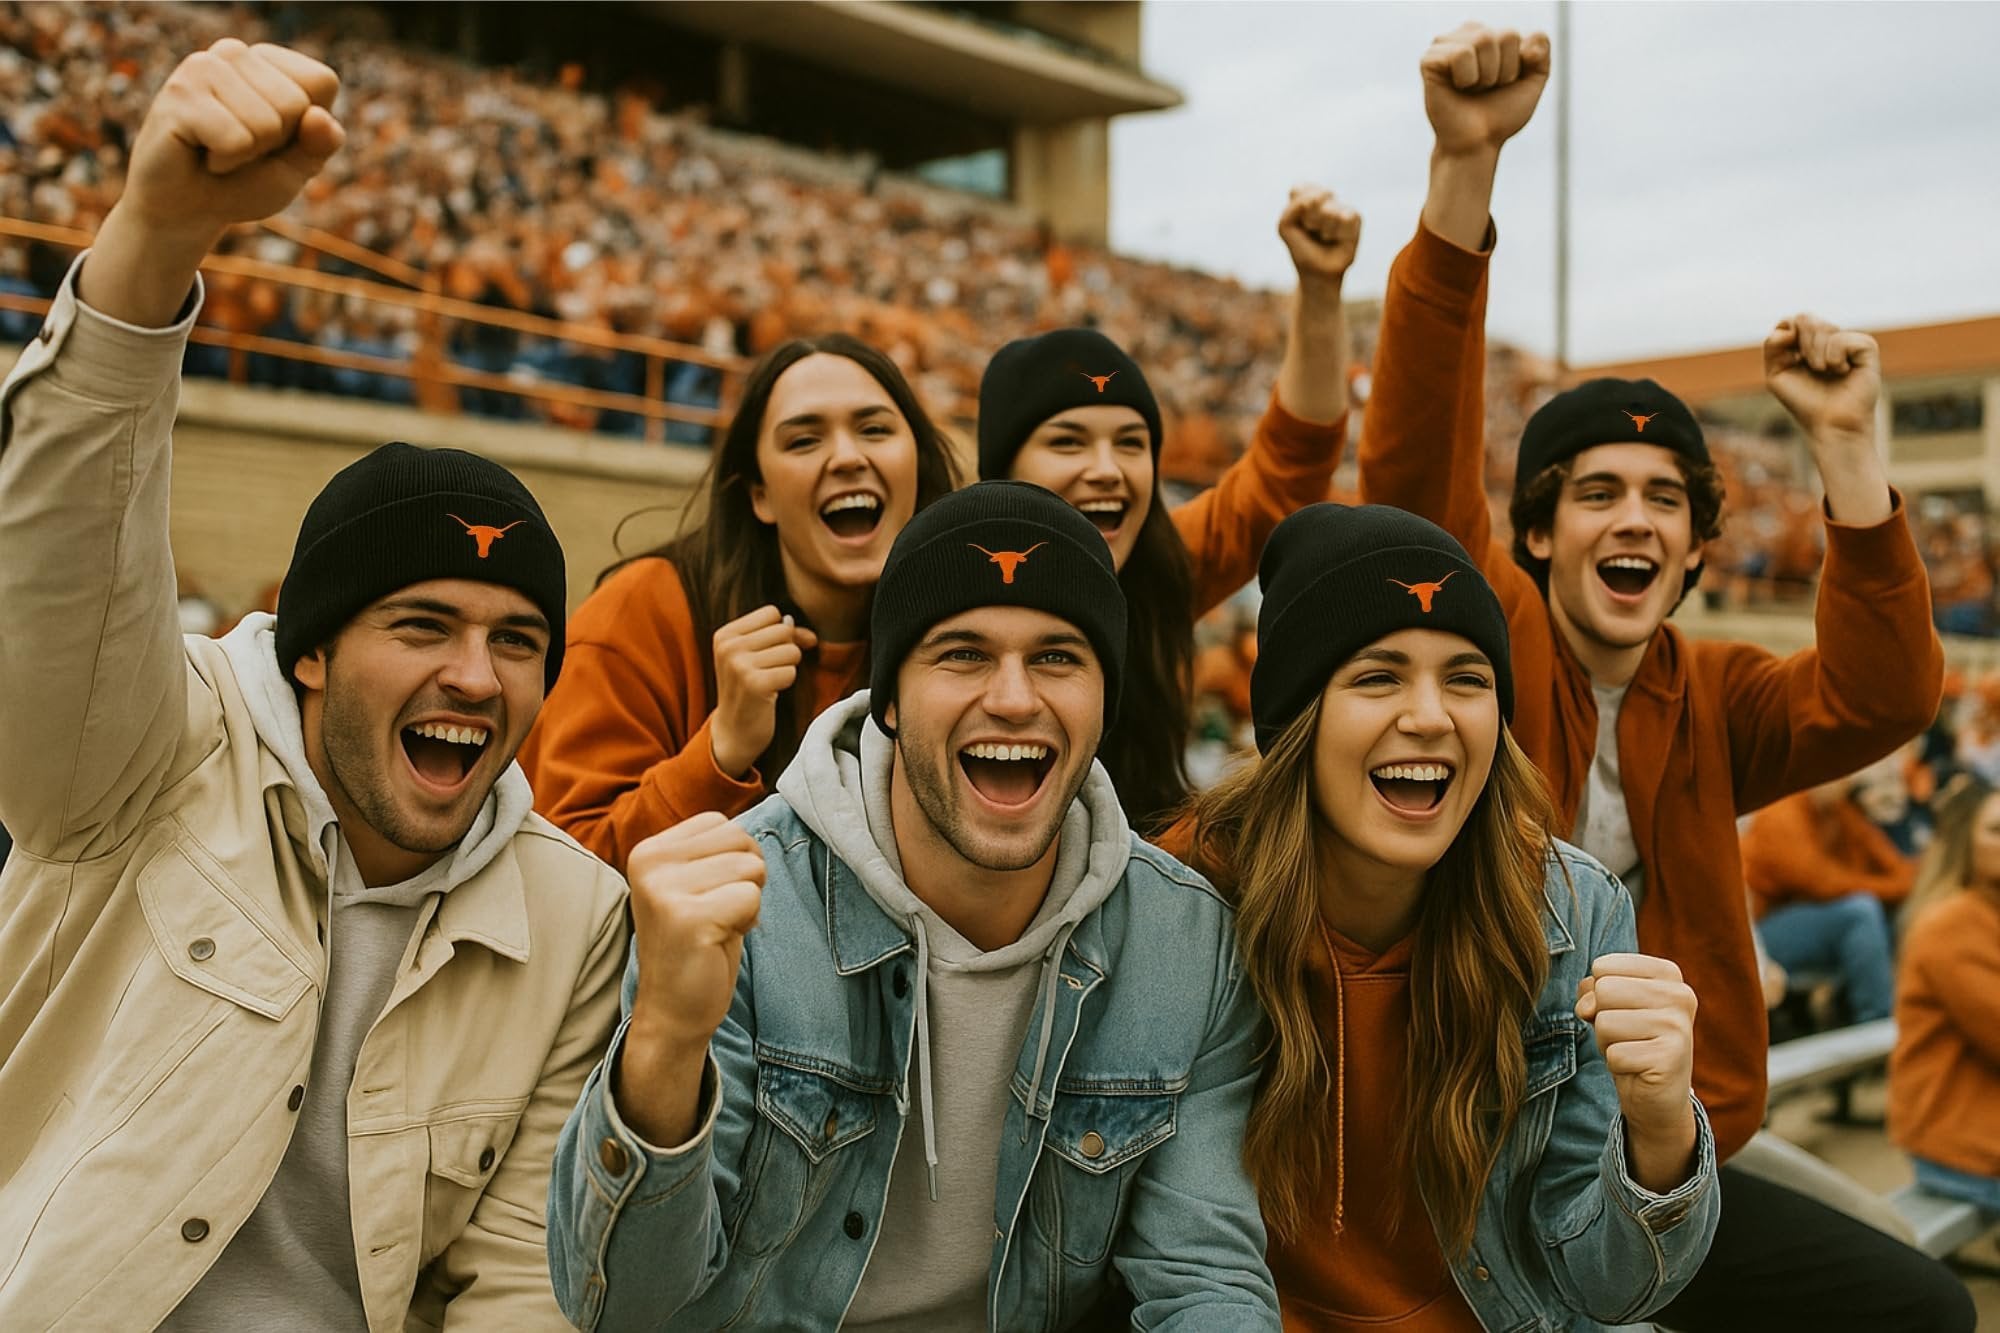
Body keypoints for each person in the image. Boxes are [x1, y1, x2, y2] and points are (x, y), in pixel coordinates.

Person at [0, 40, 626, 1328]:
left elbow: (514, 1280)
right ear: (312, 649)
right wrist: (153, 241)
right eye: (424, 623)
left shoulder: (579, 920)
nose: (475, 674)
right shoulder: (152, 754)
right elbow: (62, 571)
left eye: (518, 640)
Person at [1357, 21, 1966, 1332]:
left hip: (1659, 1148)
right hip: (1456, 1156)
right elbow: (1408, 472)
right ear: (1535, 531)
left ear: (1697, 547)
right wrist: (1464, 175)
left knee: (1910, 1304)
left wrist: (1851, 449)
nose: (1630, 520)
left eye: (1661, 500)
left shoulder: (1723, 692)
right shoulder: (1490, 646)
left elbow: (1885, 694)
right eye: (1596, 495)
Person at [546, 483, 1277, 1329]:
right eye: (963, 653)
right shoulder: (741, 903)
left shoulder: (1187, 942)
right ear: (888, 700)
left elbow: (1205, 1283)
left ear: (1105, 701)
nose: (1012, 697)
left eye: (1057, 656)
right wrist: (668, 1040)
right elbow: (622, 1305)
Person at [1164, 504, 1718, 1331]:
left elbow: (1612, 1289)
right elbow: (1191, 1271)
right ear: (1296, 722)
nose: (1430, 716)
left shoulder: (1572, 909)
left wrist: (1662, 1125)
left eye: (1467, 678)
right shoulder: (1179, 902)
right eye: (1378, 676)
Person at [978, 188, 1359, 829]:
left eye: (1130, 443)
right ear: (1003, 473)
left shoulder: (1160, 563)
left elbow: (1286, 469)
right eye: (1068, 441)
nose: (1107, 469)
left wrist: (1320, 290)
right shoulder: (936, 590)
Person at [519, 332, 962, 873]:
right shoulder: (641, 611)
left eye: (874, 430)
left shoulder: (964, 628)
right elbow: (566, 871)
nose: (847, 456)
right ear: (760, 495)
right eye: (803, 441)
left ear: (915, 463)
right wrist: (721, 751)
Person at [1890, 777, 2000, 1215]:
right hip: (1961, 1139)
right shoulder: (1951, 925)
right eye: (1995, 830)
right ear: (1962, 842)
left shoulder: (1990, 912)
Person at [1742, 777, 1915, 1024]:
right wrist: (1900, 887)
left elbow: (1891, 862)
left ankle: (1884, 1013)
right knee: (1861, 912)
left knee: (1895, 914)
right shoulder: (1781, 812)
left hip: (1808, 919)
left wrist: (1909, 885)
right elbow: (1821, 883)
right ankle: (1877, 1022)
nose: (1842, 780)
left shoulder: (1839, 810)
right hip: (1760, 934)